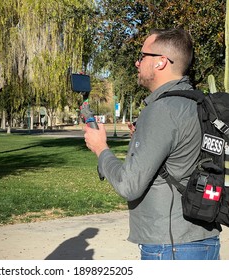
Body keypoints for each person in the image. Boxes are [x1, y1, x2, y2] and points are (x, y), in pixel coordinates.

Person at [84, 28, 221, 260]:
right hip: (203, 240)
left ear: (160, 62)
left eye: (142, 56)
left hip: (171, 247)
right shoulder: (199, 104)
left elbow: (129, 185)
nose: (137, 63)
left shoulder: (161, 110)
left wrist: (101, 149)